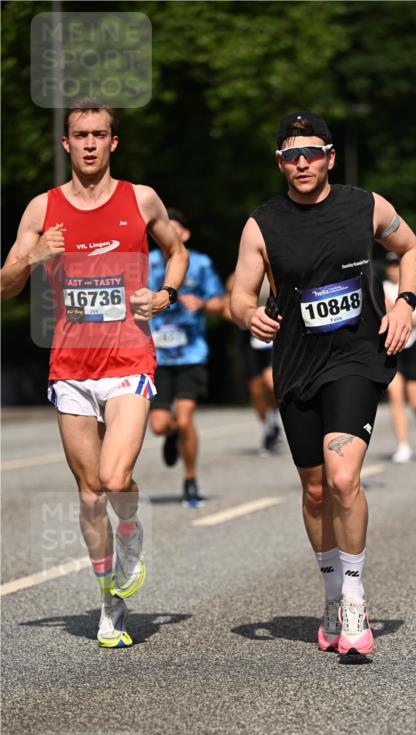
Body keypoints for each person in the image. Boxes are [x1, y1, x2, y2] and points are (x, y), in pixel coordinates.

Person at [230, 112, 416, 655]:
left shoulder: (366, 206)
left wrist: (405, 303)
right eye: (291, 155)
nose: (302, 163)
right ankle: (332, 594)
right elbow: (239, 294)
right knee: (315, 492)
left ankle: (355, 600)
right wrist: (248, 314)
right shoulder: (261, 224)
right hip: (297, 365)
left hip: (357, 358)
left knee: (342, 479)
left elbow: (411, 249)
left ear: (330, 158)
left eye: (311, 153)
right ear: (280, 164)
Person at [0, 100, 188, 647]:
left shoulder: (140, 199)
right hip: (71, 366)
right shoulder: (43, 208)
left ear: (112, 142)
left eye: (98, 135)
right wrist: (33, 255)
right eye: (79, 135)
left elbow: (176, 252)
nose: (88, 144)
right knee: (88, 495)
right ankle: (110, 603)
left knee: (114, 479)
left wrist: (164, 295)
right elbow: (5, 285)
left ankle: (130, 531)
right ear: (66, 143)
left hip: (129, 357)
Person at [148, 208, 225, 507]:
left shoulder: (201, 263)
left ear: (186, 234)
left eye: (175, 228)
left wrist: (203, 303)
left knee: (185, 419)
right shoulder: (146, 263)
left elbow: (222, 303)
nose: (169, 233)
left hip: (191, 354)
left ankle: (190, 480)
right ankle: (171, 435)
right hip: (156, 356)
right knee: (159, 425)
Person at [383, 251, 416, 463]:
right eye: (391, 265)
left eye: (398, 264)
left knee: (415, 399)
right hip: (390, 346)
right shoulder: (382, 288)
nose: (394, 269)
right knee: (396, 396)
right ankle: (403, 445)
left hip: (414, 345)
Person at [223, 271, 283, 455]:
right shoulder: (236, 278)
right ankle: (268, 428)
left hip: (272, 333)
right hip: (248, 337)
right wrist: (244, 314)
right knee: (256, 389)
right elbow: (226, 308)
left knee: (270, 381)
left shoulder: (278, 269)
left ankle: (274, 419)